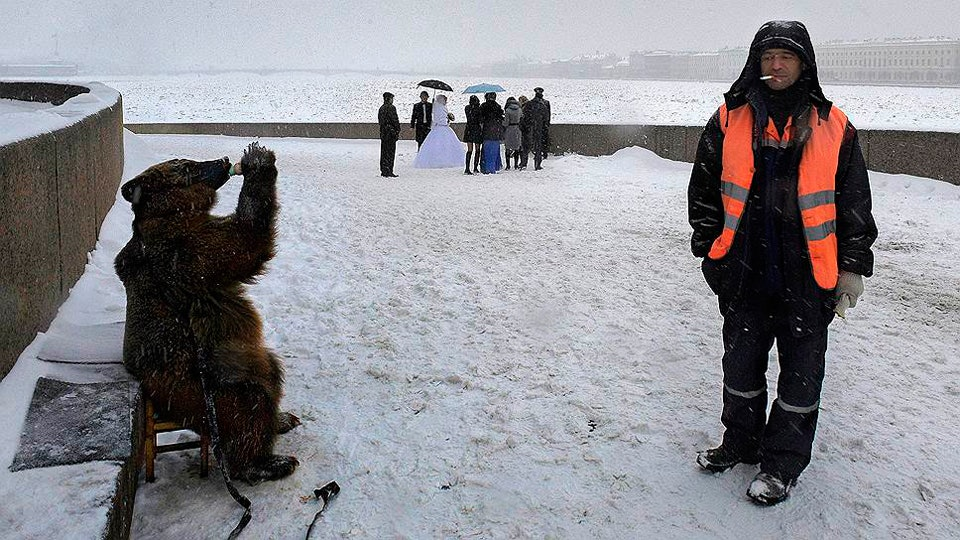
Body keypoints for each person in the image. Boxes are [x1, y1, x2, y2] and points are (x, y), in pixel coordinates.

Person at [688, 20, 877, 506]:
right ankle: (740, 443)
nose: (776, 65)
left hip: (808, 276)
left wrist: (853, 265)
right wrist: (710, 251)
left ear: (804, 64)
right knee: (741, 367)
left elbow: (853, 199)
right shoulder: (729, 118)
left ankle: (782, 464)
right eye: (769, 56)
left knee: (800, 378)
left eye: (786, 57)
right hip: (744, 271)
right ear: (756, 61)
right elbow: (705, 189)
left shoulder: (835, 124)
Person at [412, 94, 465, 169]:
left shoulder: (439, 107)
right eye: (445, 99)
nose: (446, 101)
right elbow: (440, 120)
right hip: (442, 128)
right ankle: (443, 161)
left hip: (439, 128)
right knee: (444, 144)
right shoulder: (440, 108)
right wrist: (447, 120)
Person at [522, 89, 548, 171]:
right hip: (538, 129)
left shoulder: (529, 104)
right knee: (538, 148)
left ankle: (523, 164)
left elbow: (524, 116)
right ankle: (537, 164)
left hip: (529, 128)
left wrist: (526, 125)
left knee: (526, 147)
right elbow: (546, 119)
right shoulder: (543, 106)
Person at [478, 92, 504, 174]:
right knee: (494, 151)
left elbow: (481, 119)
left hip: (487, 131)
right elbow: (501, 118)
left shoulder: (483, 106)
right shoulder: (498, 107)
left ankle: (486, 168)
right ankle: (494, 167)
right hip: (496, 131)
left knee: (486, 151)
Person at [378, 92, 401, 177]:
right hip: (391, 133)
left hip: (384, 133)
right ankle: (389, 170)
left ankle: (384, 170)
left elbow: (381, 122)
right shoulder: (392, 108)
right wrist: (397, 129)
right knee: (390, 153)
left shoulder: (381, 108)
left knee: (384, 152)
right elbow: (395, 120)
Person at [463, 95, 483, 174]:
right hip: (476, 130)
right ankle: (475, 167)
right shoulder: (479, 109)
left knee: (469, 150)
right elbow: (480, 120)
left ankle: (467, 168)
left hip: (468, 129)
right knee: (477, 149)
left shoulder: (467, 108)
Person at [502, 97, 522, 170]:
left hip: (509, 130)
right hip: (517, 129)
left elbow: (506, 123)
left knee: (508, 147)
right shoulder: (520, 110)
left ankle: (508, 165)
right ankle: (516, 165)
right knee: (517, 147)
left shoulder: (507, 111)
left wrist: (502, 121)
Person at [534, 87, 551, 159]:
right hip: (542, 124)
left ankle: (542, 153)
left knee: (540, 139)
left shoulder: (544, 102)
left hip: (539, 124)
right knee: (542, 139)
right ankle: (543, 153)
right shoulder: (546, 102)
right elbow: (548, 114)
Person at [517, 95, 530, 170]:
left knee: (523, 147)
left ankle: (523, 163)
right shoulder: (529, 107)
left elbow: (522, 119)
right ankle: (523, 162)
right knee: (525, 147)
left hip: (524, 130)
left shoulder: (524, 108)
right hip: (528, 129)